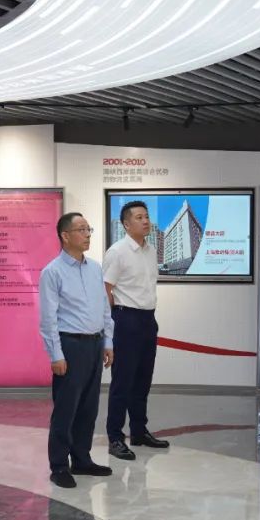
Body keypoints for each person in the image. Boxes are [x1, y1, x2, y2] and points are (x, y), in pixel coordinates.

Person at [38, 212, 115, 488]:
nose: (87, 234)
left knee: (88, 408)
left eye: (88, 229)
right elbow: (48, 318)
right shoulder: (52, 272)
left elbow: (104, 308)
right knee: (66, 409)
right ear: (65, 235)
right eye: (81, 230)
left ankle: (82, 459)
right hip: (70, 345)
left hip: (95, 344)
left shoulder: (95, 268)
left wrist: (108, 342)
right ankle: (59, 465)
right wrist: (56, 355)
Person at [102, 201, 169, 460]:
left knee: (143, 379)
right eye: (139, 217)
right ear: (126, 224)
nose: (146, 221)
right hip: (125, 319)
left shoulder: (151, 251)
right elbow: (105, 290)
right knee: (123, 382)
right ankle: (115, 437)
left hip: (148, 319)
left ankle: (139, 431)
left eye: (147, 216)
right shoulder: (117, 252)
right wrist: (112, 324)